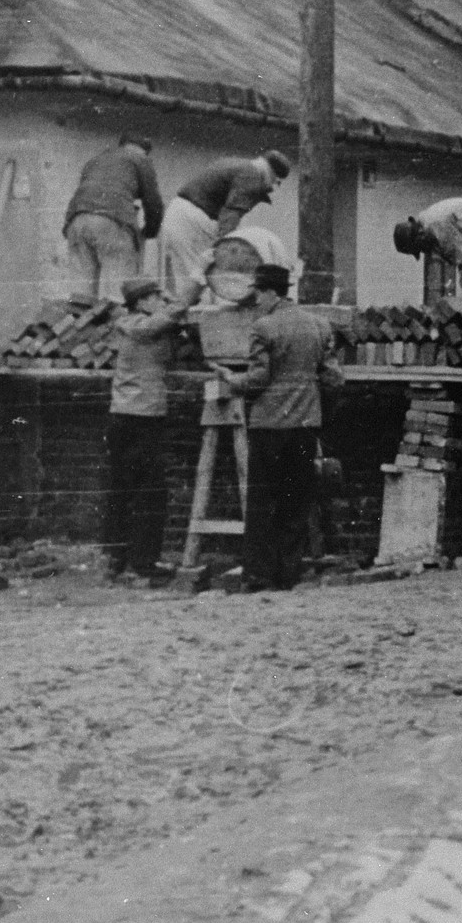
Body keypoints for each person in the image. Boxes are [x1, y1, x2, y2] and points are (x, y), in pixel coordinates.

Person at [210, 264, 342, 592]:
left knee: (261, 504)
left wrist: (231, 379)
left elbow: (258, 380)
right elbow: (333, 378)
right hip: (305, 425)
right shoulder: (319, 325)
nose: (256, 302)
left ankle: (257, 577)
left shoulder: (264, 328)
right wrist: (317, 409)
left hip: (268, 426)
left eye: (257, 294)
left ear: (270, 292)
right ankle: (288, 576)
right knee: (295, 502)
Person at [105, 276, 202, 582]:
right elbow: (153, 326)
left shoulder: (150, 326)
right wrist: (186, 294)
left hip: (131, 416)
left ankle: (120, 560)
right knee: (148, 490)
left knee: (127, 488)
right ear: (143, 302)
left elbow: (175, 343)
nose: (161, 300)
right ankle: (140, 563)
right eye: (156, 296)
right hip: (137, 418)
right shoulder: (132, 324)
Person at [160, 151, 292, 291]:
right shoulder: (251, 176)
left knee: (187, 276)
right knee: (201, 278)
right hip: (192, 221)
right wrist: (226, 246)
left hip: (179, 214)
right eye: (276, 182)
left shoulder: (240, 165)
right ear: (271, 173)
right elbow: (230, 215)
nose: (272, 187)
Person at [62, 134, 164, 304]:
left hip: (76, 220)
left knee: (81, 295)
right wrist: (150, 230)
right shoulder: (140, 159)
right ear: (144, 150)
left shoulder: (97, 159)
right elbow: (153, 201)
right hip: (111, 221)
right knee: (119, 293)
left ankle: (77, 326)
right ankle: (119, 328)